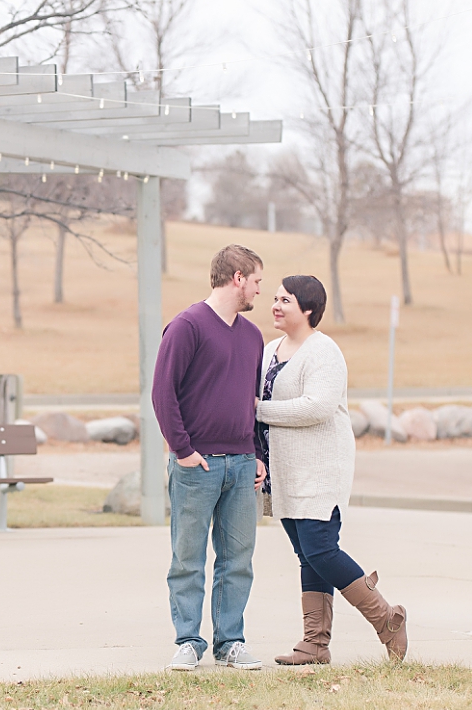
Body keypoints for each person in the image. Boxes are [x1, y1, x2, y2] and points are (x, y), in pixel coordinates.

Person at [255, 274, 408, 665]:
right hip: (284, 473)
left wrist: (258, 409)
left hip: (320, 470)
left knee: (322, 550)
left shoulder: (324, 352)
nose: (275, 305)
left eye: (285, 300)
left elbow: (317, 407)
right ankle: (314, 644)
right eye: (274, 298)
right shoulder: (271, 349)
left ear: (308, 308)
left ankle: (385, 619)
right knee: (307, 555)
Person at [152, 244, 268, 672]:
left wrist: (255, 454)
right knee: (188, 557)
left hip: (240, 466)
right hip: (195, 466)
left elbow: (249, 402)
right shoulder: (187, 326)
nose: (260, 289)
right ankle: (187, 641)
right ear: (237, 277)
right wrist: (183, 451)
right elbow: (163, 394)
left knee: (238, 560)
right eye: (257, 280)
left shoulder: (253, 336)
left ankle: (230, 642)